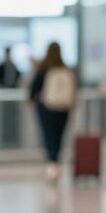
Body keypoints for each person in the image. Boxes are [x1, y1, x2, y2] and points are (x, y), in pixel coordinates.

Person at [28, 42, 77, 182]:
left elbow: (34, 88)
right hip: (63, 108)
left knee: (48, 135)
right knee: (59, 135)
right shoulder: (66, 69)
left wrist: (31, 100)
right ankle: (55, 162)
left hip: (46, 108)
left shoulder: (44, 69)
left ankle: (52, 163)